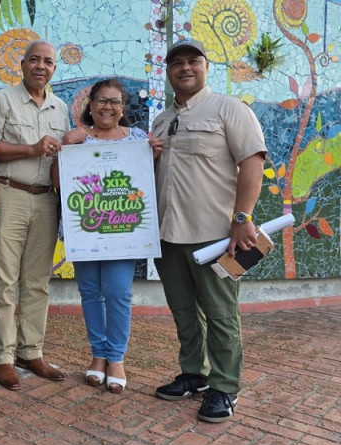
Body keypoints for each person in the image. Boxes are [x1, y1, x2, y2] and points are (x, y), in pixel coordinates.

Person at [150, 38, 266, 423]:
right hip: (168, 235)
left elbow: (252, 163)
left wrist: (242, 219)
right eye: (177, 63)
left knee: (220, 313)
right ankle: (193, 374)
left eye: (193, 61)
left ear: (205, 66)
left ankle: (225, 386)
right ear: (168, 72)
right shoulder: (162, 121)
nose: (185, 68)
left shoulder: (229, 110)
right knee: (183, 311)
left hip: (216, 235)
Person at [0, 40, 71, 390]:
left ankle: (30, 351)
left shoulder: (60, 107)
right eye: (34, 59)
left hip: (45, 200)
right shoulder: (3, 100)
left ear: (54, 69)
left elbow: (63, 157)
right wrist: (31, 149)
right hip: (9, 193)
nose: (41, 66)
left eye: (48, 61)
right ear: (21, 64)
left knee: (37, 281)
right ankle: (3, 357)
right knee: (4, 279)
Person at [62, 79, 151, 393]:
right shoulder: (78, 138)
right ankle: (97, 354)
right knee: (89, 292)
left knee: (117, 293)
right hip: (86, 229)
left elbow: (146, 182)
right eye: (101, 100)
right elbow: (59, 183)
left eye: (114, 101)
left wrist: (152, 153)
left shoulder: (138, 138)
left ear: (122, 107)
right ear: (91, 104)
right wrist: (66, 146)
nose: (107, 107)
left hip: (121, 231)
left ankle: (116, 357)